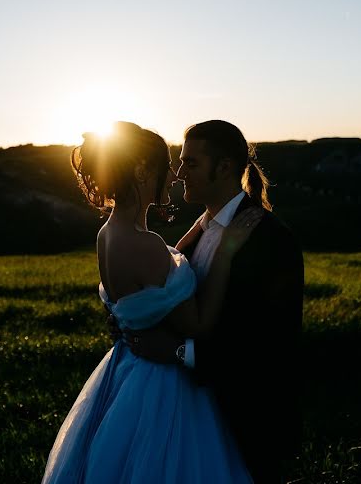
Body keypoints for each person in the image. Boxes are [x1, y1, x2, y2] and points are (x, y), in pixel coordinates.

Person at [42, 121, 263, 483]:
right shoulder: (145, 246)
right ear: (144, 171)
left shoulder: (108, 235)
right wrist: (225, 252)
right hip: (160, 383)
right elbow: (197, 325)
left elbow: (142, 285)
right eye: (167, 168)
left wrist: (204, 225)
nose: (174, 177)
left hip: (126, 369)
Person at [124, 120, 305, 484]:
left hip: (247, 420)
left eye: (190, 163)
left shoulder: (269, 238)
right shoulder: (197, 233)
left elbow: (271, 344)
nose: (177, 173)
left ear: (223, 168)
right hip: (189, 417)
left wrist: (178, 352)